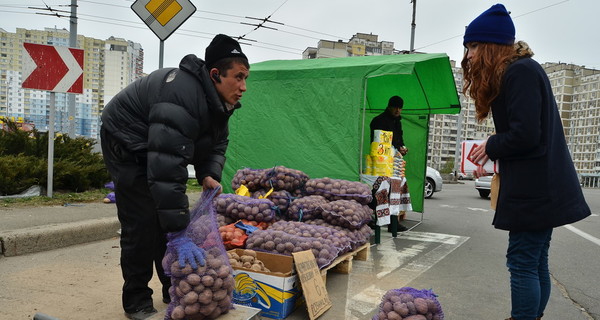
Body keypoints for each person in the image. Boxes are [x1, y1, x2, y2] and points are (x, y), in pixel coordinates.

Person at [100, 34, 249, 320]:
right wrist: (178, 231)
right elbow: (168, 171)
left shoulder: (219, 102)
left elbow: (217, 143)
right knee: (143, 221)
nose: (243, 87)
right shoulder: (181, 95)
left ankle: (174, 285)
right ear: (216, 74)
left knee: (165, 219)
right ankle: (136, 300)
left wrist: (208, 173)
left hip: (157, 147)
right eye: (238, 77)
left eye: (246, 79)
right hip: (126, 141)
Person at [462, 4, 591, 320]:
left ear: (493, 45)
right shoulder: (521, 71)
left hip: (535, 189)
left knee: (522, 261)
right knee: (535, 260)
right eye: (467, 47)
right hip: (539, 185)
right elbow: (527, 131)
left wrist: (491, 145)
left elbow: (526, 134)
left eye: (475, 46)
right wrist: (494, 145)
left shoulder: (519, 72)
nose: (468, 55)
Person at [370, 95, 409, 231]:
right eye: (396, 107)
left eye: (400, 108)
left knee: (394, 191)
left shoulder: (398, 122)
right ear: (389, 107)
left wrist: (402, 148)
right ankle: (373, 218)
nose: (398, 110)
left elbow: (400, 139)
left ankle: (393, 222)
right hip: (380, 162)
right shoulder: (378, 120)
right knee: (378, 190)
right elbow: (379, 142)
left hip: (394, 164)